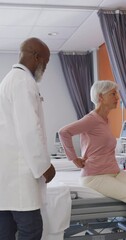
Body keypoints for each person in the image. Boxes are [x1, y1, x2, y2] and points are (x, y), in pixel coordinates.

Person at [0, 37, 55, 240]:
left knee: (5, 231)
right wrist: (44, 166)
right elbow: (29, 130)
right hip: (20, 176)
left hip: (6, 178)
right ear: (36, 56)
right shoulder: (24, 82)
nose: (45, 68)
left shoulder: (8, 80)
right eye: (46, 62)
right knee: (31, 231)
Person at [59, 80, 126, 203]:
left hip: (114, 172)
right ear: (101, 96)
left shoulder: (105, 120)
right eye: (113, 94)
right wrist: (74, 159)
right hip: (95, 177)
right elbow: (64, 132)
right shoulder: (91, 120)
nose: (117, 97)